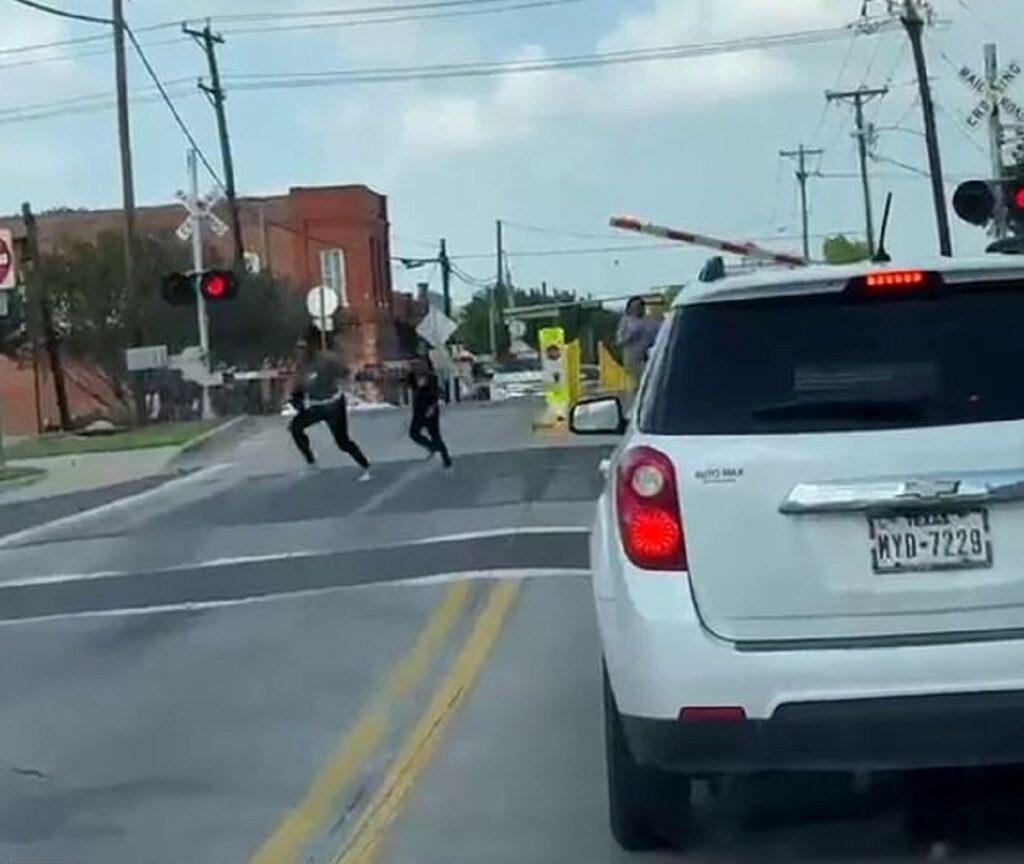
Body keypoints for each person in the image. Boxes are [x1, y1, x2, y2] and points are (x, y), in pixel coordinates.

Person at [288, 339, 372, 479]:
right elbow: (300, 388)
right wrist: (297, 401)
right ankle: (311, 463)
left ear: (309, 349)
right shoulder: (301, 367)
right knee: (295, 427)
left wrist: (348, 380)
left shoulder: (325, 361)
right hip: (317, 406)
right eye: (297, 349)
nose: (299, 352)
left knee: (343, 442)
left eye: (302, 348)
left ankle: (365, 466)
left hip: (334, 405)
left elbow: (345, 372)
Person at [406, 357, 452, 469]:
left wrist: (432, 407)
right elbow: (408, 384)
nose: (418, 366)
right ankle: (432, 447)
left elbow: (437, 395)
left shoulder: (432, 378)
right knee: (414, 433)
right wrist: (410, 372)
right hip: (418, 411)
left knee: (435, 435)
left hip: (430, 411)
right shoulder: (414, 377)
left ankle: (446, 459)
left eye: (421, 364)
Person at [616, 296, 661, 394]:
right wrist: (630, 335)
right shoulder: (625, 321)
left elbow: (657, 335)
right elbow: (619, 341)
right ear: (630, 308)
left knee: (651, 382)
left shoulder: (649, 321)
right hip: (633, 358)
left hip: (649, 355)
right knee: (637, 384)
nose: (637, 309)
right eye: (635, 306)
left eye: (640, 306)